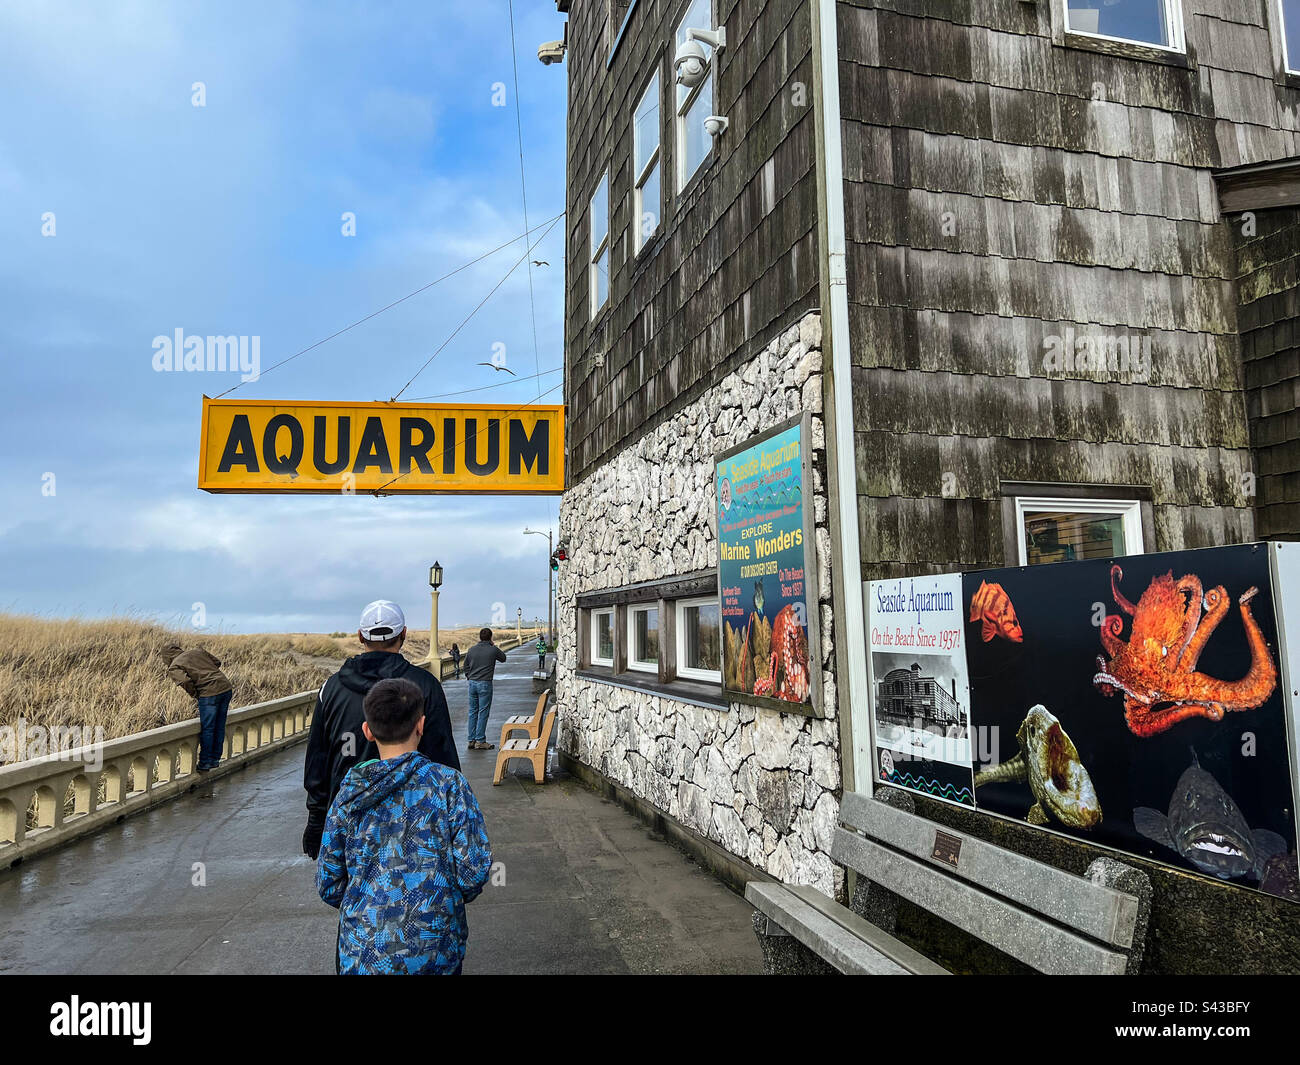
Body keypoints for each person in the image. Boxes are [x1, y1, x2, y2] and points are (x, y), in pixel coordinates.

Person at [317, 677, 491, 975]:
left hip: (363, 951)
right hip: (435, 949)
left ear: (367, 732)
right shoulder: (448, 784)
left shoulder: (349, 793)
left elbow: (329, 882)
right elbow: (473, 872)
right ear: (421, 725)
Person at [302, 600, 460, 861]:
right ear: (404, 635)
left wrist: (316, 819)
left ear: (360, 636)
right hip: (416, 822)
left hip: (349, 819)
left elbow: (318, 758)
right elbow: (443, 755)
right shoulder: (425, 686)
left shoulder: (331, 688)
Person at [162, 642, 233, 772]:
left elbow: (184, 681)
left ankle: (205, 763)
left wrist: (195, 693)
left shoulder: (174, 666)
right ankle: (214, 760)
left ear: (166, 657)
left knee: (208, 728)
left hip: (209, 693)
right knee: (219, 725)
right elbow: (217, 662)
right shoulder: (198, 651)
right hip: (225, 688)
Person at [463, 627, 506, 751]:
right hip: (485, 683)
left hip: (472, 683)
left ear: (480, 637)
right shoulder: (492, 650)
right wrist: (493, 645)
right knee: (483, 712)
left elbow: (465, 666)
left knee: (472, 712)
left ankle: (471, 740)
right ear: (490, 637)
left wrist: (469, 676)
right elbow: (503, 658)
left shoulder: (471, 650)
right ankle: (480, 740)